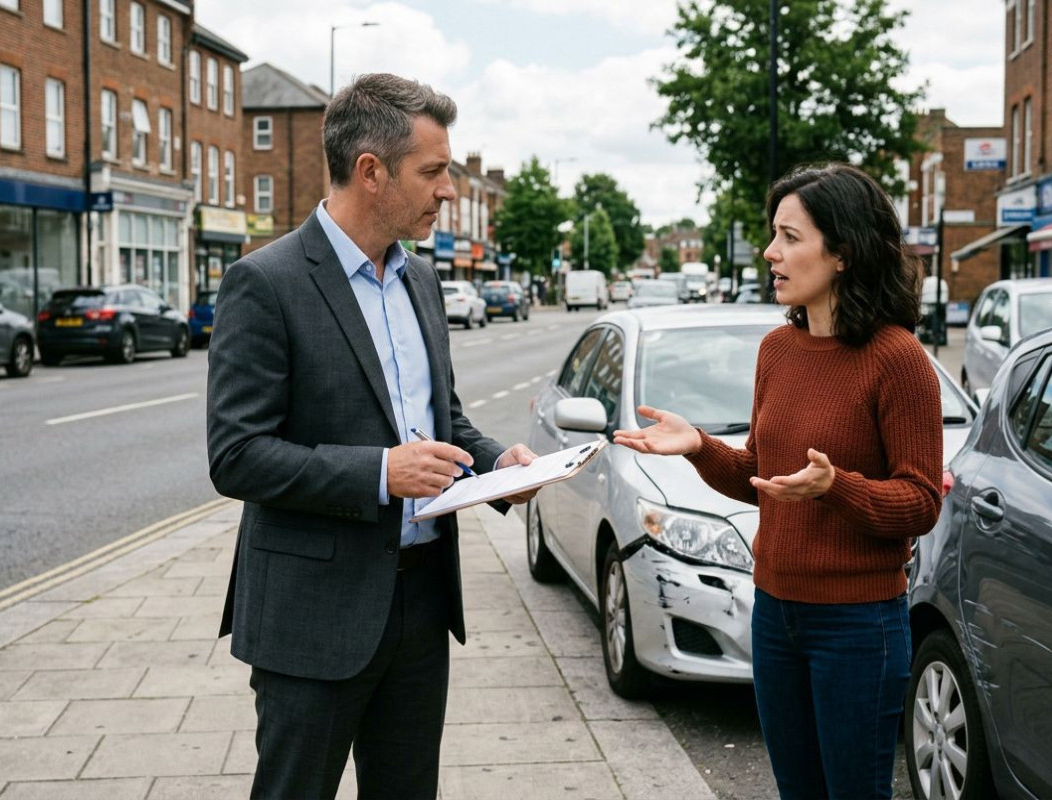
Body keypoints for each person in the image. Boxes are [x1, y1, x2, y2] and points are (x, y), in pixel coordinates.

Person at [207, 73, 539, 800]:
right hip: (312, 615)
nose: (447, 189)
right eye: (433, 171)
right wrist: (378, 472)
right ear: (371, 171)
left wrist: (498, 464)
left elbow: (442, 418)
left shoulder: (422, 280)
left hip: (420, 606)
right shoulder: (265, 282)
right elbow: (235, 455)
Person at [613, 163, 942, 799]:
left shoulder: (899, 359)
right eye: (773, 235)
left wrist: (836, 487)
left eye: (790, 237)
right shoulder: (777, 351)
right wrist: (699, 446)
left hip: (857, 623)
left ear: (842, 252)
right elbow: (759, 478)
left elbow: (921, 502)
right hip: (775, 613)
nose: (771, 252)